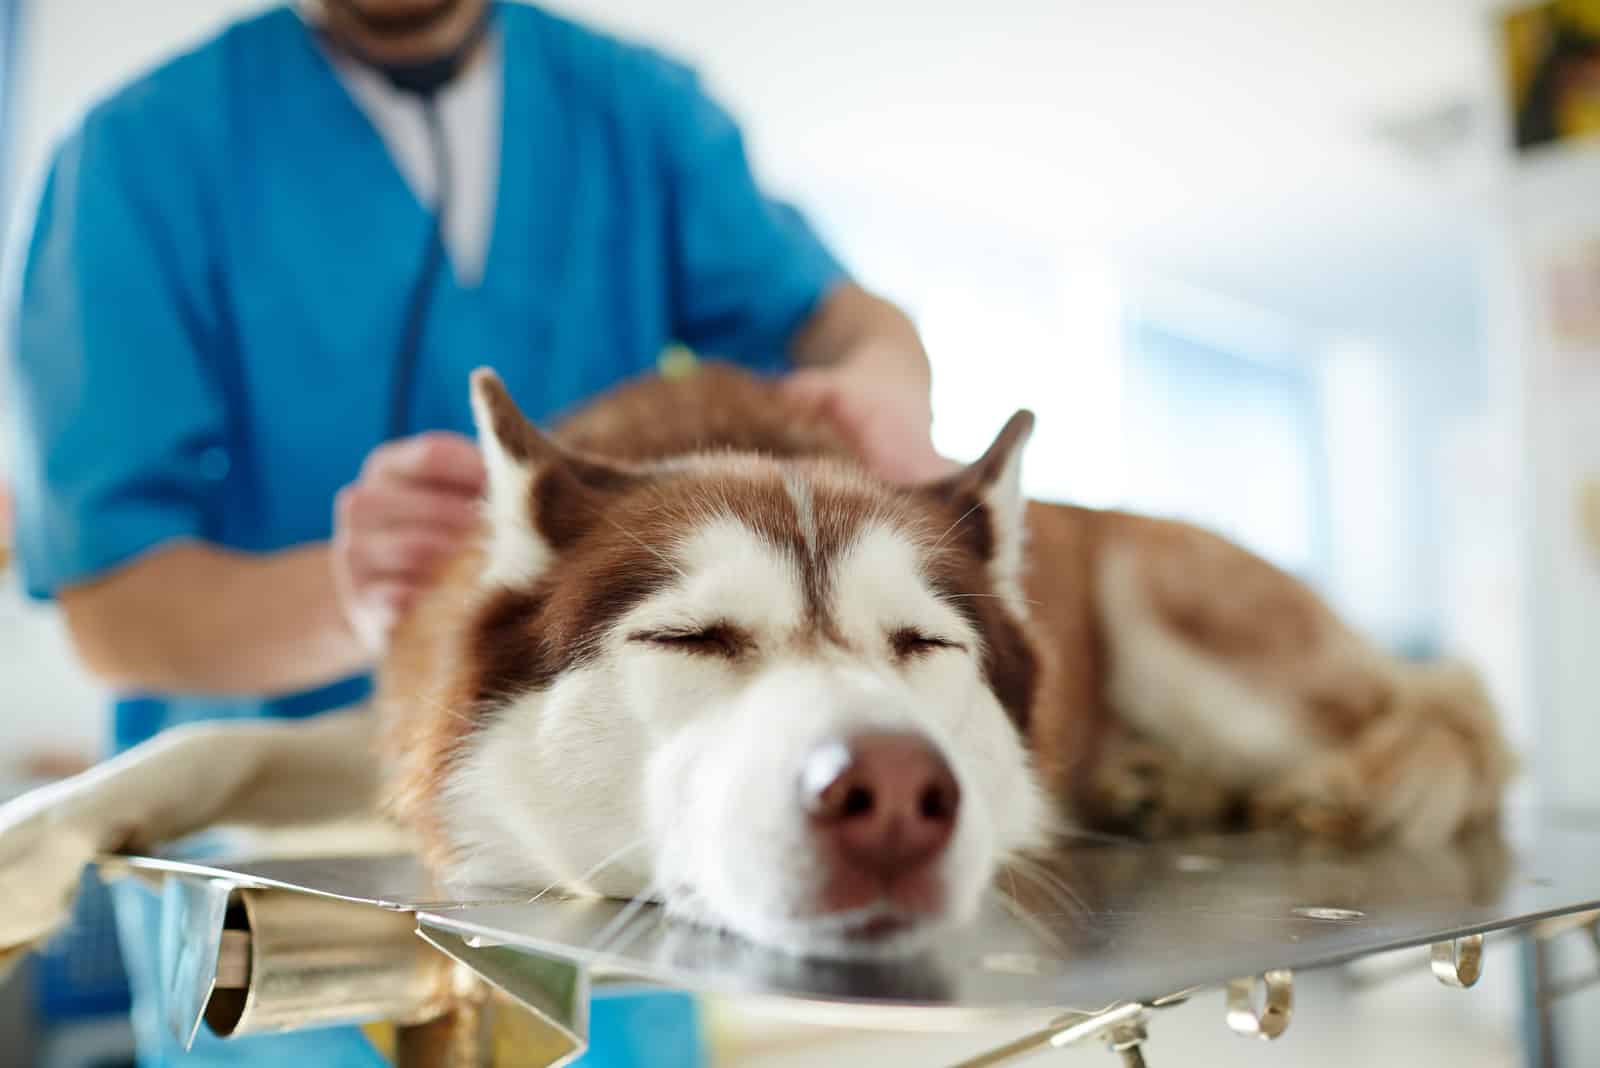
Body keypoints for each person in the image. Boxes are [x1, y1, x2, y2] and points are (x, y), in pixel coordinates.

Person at [3, 1, 947, 1065]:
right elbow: (112, 608)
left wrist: (882, 385)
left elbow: (846, 322)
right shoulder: (139, 155)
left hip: (613, 897)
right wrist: (354, 597)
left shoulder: (637, 113)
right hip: (293, 894)